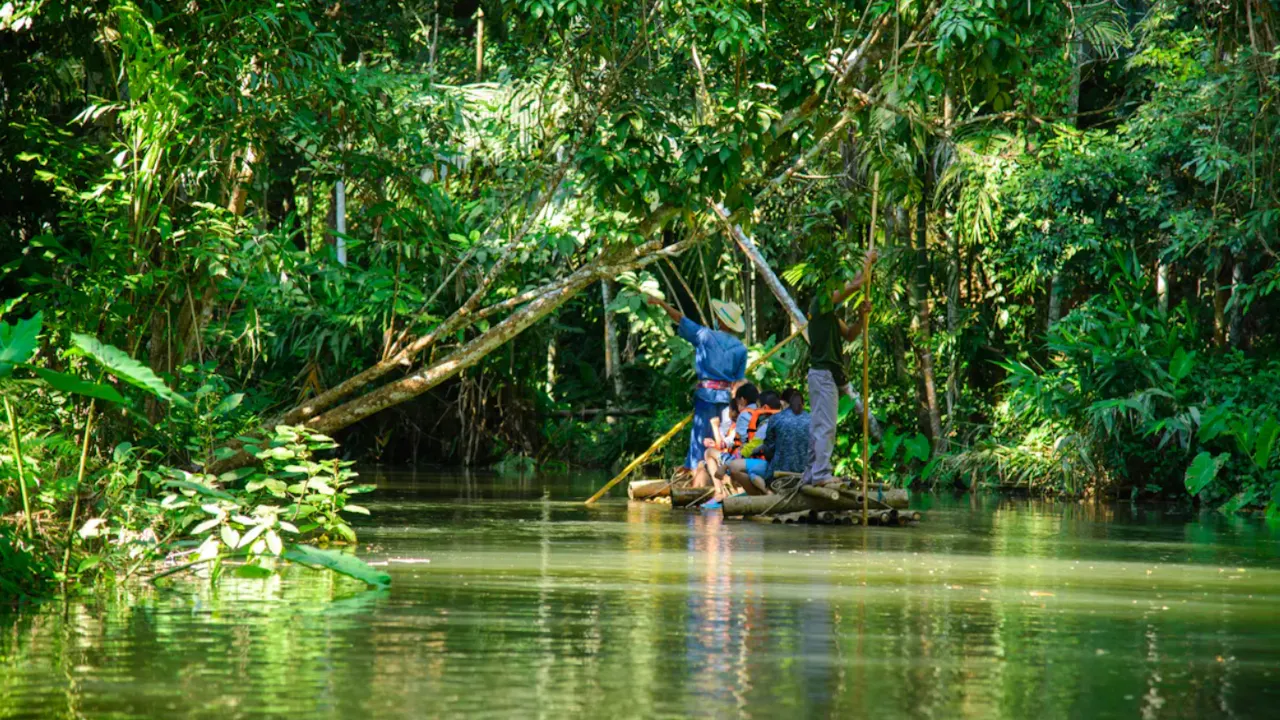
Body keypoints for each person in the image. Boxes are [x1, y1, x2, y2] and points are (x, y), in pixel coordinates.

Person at [647, 295, 747, 474]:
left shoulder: (705, 336)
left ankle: (695, 472)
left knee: (700, 436)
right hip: (726, 398)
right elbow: (739, 381)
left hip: (706, 394)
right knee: (723, 438)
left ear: (720, 320)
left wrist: (661, 303)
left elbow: (680, 319)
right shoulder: (740, 348)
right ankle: (723, 472)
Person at [803, 249, 877, 486]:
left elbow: (850, 335)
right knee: (825, 426)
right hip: (823, 374)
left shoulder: (831, 316)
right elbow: (857, 283)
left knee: (820, 425)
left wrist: (861, 317)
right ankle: (821, 474)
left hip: (827, 375)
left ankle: (811, 474)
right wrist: (867, 261)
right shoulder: (819, 304)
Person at [731, 391, 810, 494]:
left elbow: (769, 451)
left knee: (751, 472)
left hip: (779, 473)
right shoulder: (812, 419)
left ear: (782, 403)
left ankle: (765, 494)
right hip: (807, 473)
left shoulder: (776, 419)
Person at [696, 382, 758, 504]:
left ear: (742, 401)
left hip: (744, 462)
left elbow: (733, 442)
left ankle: (720, 492)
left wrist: (715, 427)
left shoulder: (744, 416)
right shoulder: (764, 412)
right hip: (761, 460)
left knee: (709, 453)